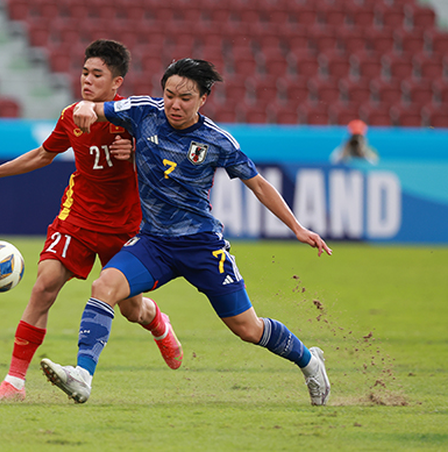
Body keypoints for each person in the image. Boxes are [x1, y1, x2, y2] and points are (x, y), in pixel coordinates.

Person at [40, 58, 333, 406]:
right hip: (154, 242)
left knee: (247, 329)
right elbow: (96, 107)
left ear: (203, 99)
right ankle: (83, 375)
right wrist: (88, 107)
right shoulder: (143, 112)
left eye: (185, 98)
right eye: (169, 95)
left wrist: (297, 227)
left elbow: (259, 186)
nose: (174, 105)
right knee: (104, 286)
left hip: (201, 247)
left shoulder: (217, 140)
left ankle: (310, 362)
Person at [0, 40, 183, 404]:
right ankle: (14, 384)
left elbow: (177, 163)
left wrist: (140, 153)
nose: (87, 81)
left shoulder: (139, 120)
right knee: (44, 285)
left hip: (125, 226)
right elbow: (45, 153)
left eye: (97, 75)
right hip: (77, 217)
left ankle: (157, 321)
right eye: (84, 73)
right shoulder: (71, 116)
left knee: (130, 309)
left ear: (116, 83)